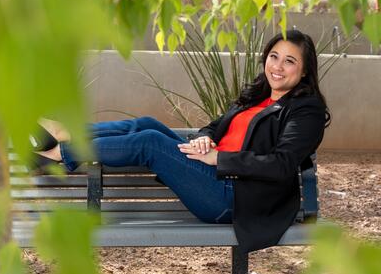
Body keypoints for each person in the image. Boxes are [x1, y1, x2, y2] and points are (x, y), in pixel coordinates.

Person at [33, 29, 330, 253]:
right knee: (147, 124)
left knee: (149, 141)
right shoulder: (258, 96)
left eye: (289, 61)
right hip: (212, 173)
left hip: (233, 197)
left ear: (304, 70)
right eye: (274, 56)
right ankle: (66, 134)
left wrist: (219, 159)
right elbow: (215, 128)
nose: (277, 66)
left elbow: (282, 164)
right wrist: (205, 140)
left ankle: (59, 153)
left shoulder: (306, 110)